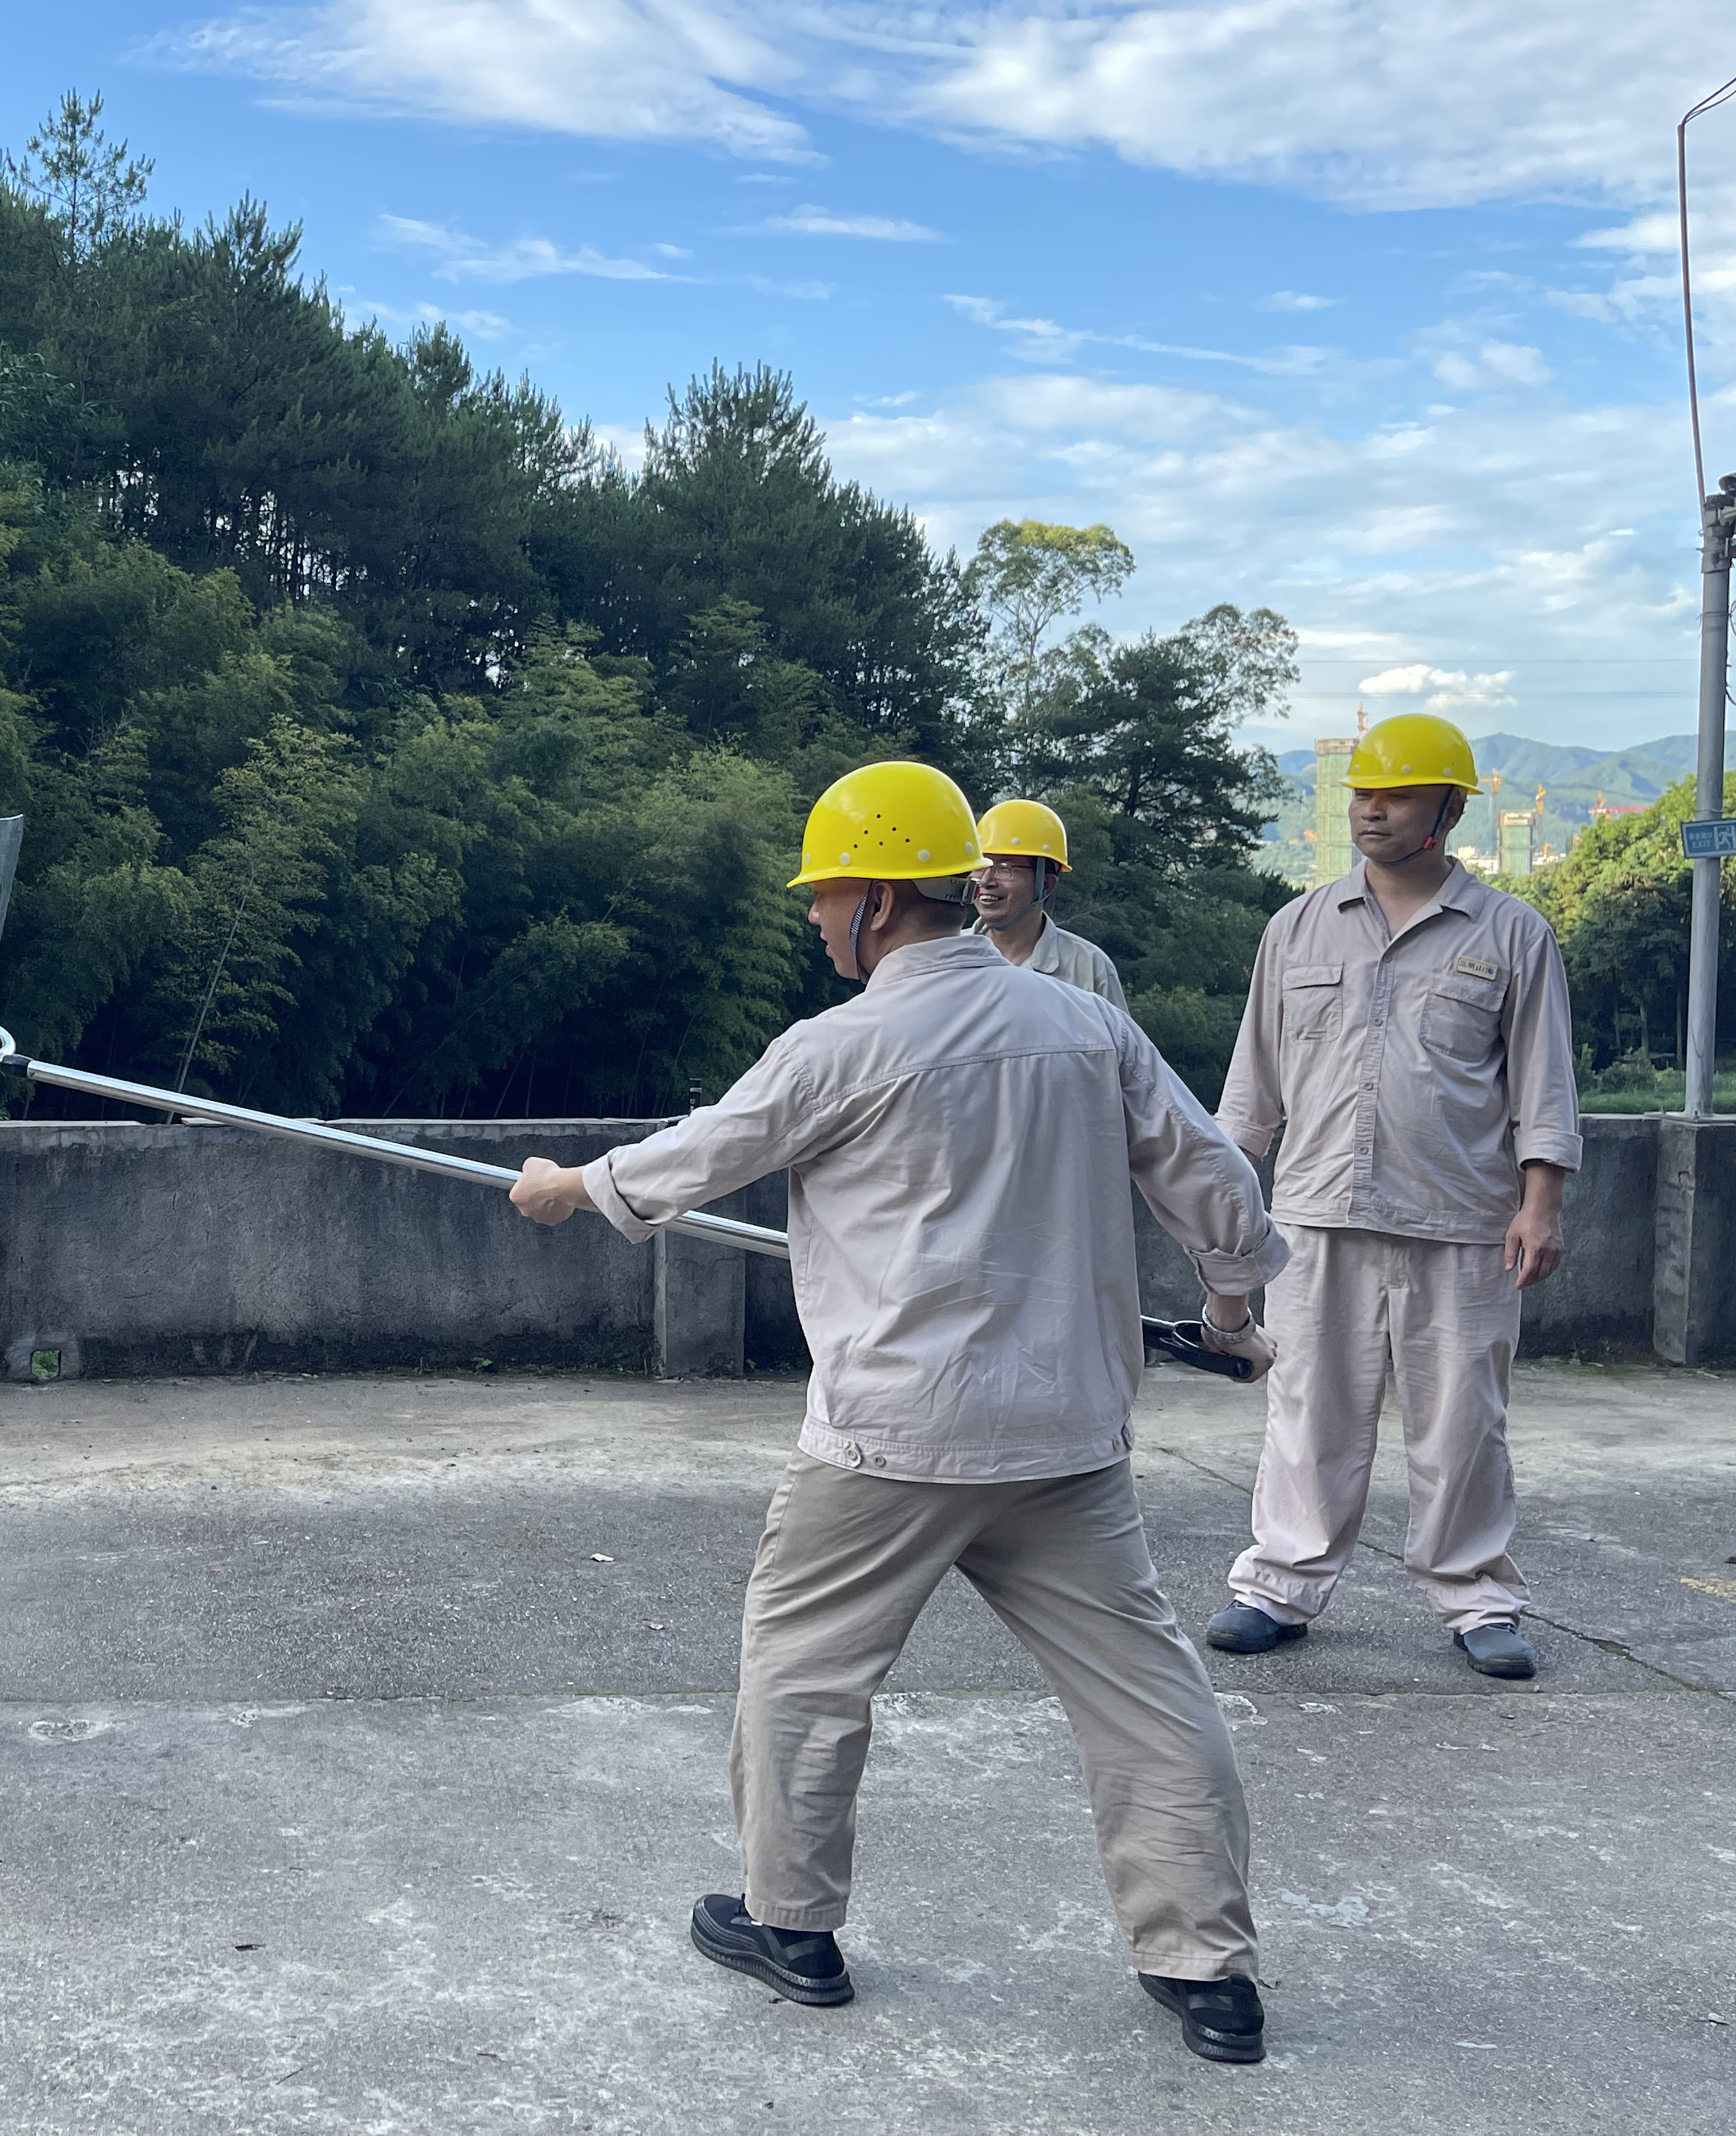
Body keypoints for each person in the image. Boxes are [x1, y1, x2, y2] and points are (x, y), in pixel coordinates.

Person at [506, 761, 1290, 2066]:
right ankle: (1208, 1968)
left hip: (891, 1439)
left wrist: (566, 1185)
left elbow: (696, 1154)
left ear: (876, 898)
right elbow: (1214, 1181)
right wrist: (1226, 1305)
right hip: (1065, 1434)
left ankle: (790, 1923)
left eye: (825, 895)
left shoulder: (841, 1044)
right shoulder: (1084, 1026)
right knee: (1146, 1691)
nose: (816, 917)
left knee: (802, 1666)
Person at [1205, 713, 1580, 1682]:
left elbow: (1543, 1083)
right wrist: (1226, 1205)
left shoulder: (1511, 934)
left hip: (1462, 1218)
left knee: (1463, 1421)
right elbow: (1252, 1089)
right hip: (1316, 1214)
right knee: (1309, 1411)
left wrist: (1541, 1203)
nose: (1372, 810)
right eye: (1363, 793)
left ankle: (1477, 1597)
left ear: (1448, 810)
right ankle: (1278, 1586)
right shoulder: (1296, 927)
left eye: (1398, 795)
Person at [970, 797, 1128, 1010]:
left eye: (1005, 868)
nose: (986, 881)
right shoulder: (945, 954)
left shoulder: (1088, 969)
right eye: (981, 866)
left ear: (1045, 885)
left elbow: (1118, 1032)